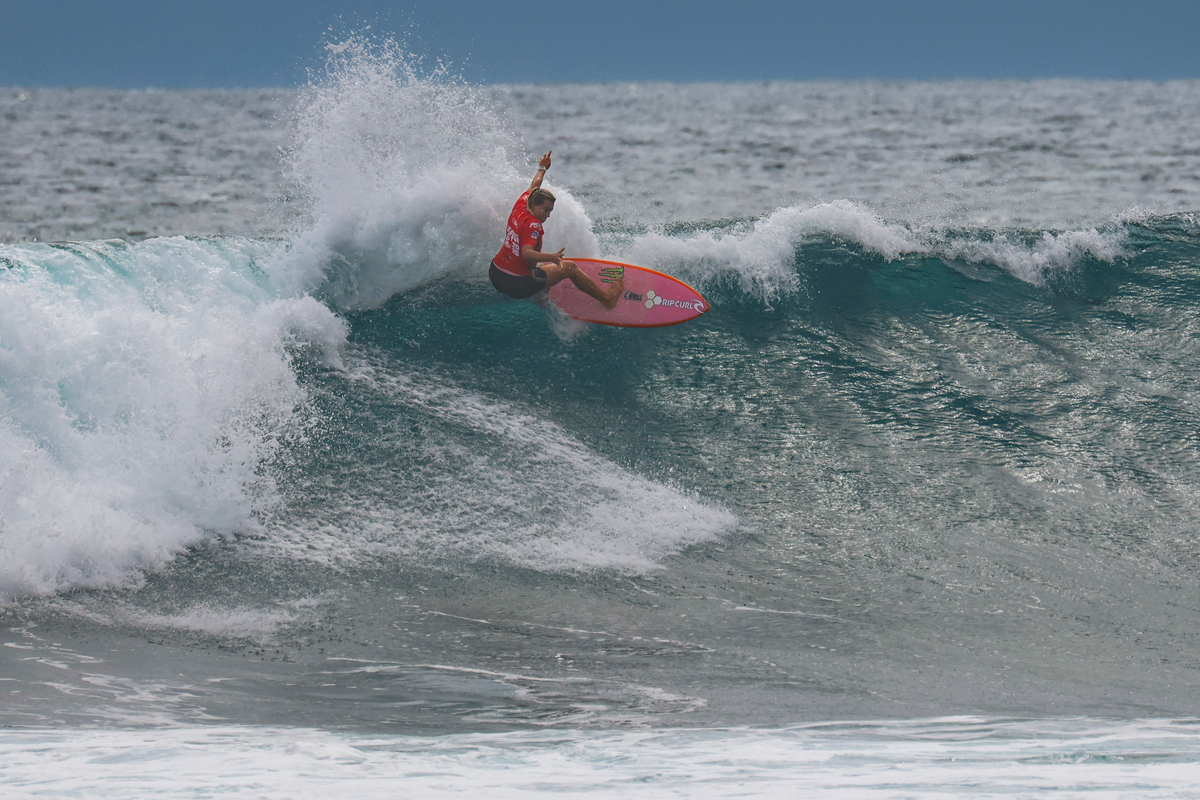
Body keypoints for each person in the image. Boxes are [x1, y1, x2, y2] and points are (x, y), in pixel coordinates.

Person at [490, 151, 624, 309]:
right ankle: (607, 299)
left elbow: (534, 185)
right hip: (517, 284)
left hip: (496, 273)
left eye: (550, 211)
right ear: (534, 204)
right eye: (545, 210)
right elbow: (526, 253)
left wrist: (542, 168)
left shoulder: (522, 203)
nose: (547, 215)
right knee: (569, 267)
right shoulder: (534, 225)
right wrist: (552, 257)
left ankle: (541, 297)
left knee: (539, 266)